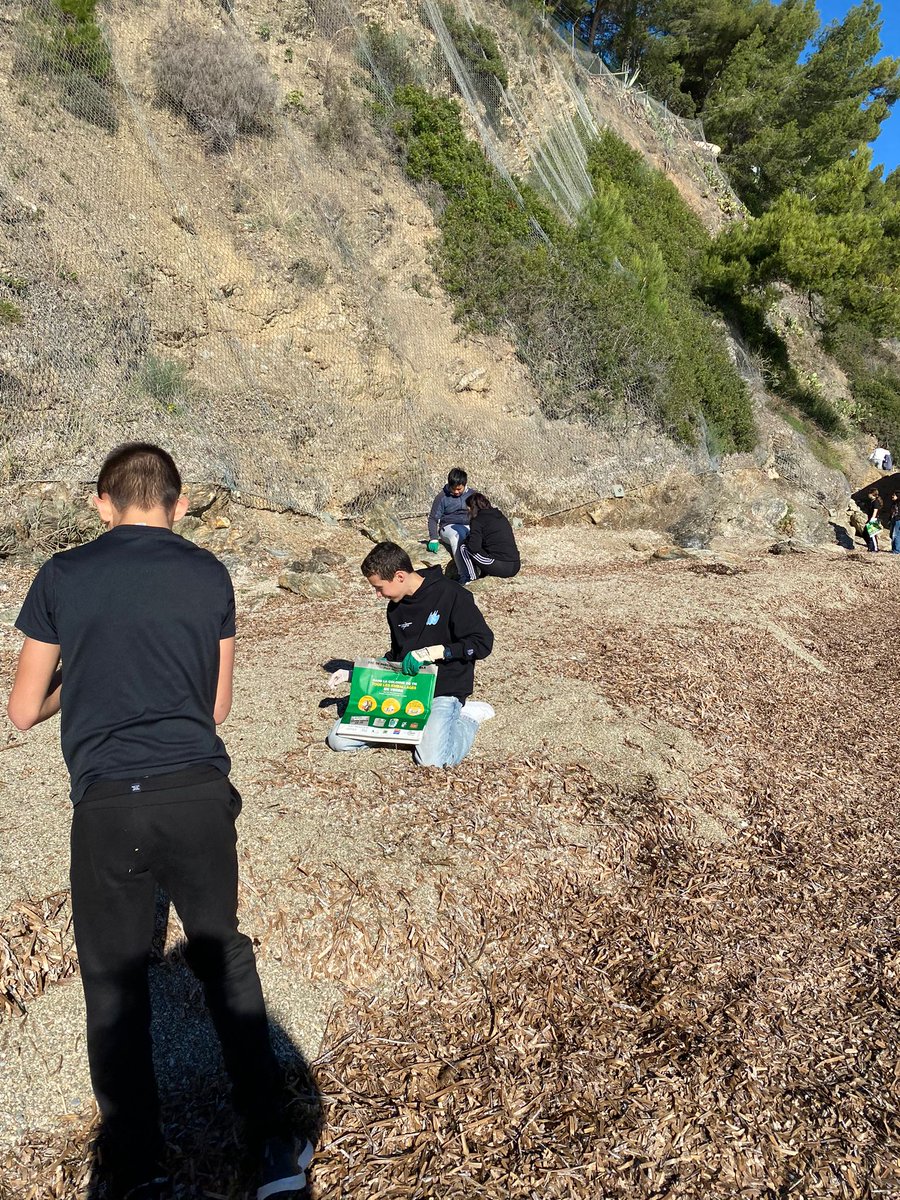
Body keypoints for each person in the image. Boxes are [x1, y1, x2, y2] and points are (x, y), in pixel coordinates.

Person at [6, 444, 311, 1200]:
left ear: (101, 505)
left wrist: (82, 677)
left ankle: (140, 1169)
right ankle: (273, 1148)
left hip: (109, 805)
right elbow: (214, 707)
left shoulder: (62, 576)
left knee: (114, 986)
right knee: (222, 961)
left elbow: (19, 712)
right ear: (176, 506)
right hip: (198, 795)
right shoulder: (207, 574)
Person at [326, 541, 494, 767]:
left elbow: (482, 643)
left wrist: (436, 652)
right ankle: (418, 731)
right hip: (407, 689)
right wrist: (355, 674)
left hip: (443, 689)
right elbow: (396, 656)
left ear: (400, 576)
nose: (377, 594)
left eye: (379, 587)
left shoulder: (453, 595)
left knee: (432, 761)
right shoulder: (395, 607)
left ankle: (466, 717)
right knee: (338, 740)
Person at [456, 492, 521, 586]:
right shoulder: (499, 515)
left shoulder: (477, 520)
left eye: (468, 508)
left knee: (463, 547)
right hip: (516, 564)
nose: (467, 511)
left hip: (503, 567)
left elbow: (474, 548)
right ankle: (483, 573)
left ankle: (471, 579)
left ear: (472, 508)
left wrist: (467, 539)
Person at [427, 467, 473, 558]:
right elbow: (433, 518)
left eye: (459, 489)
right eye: (453, 489)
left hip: (470, 525)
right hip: (449, 527)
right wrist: (434, 538)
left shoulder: (473, 495)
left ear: (465, 485)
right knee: (458, 536)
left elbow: (483, 512)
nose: (456, 492)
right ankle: (464, 572)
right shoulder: (442, 497)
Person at [862, 488, 881, 552]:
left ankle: (875, 548)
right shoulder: (871, 501)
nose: (868, 494)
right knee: (865, 533)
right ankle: (870, 546)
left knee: (872, 534)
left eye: (869, 493)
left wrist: (872, 519)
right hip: (870, 518)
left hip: (874, 519)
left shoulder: (876, 502)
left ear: (872, 494)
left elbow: (875, 511)